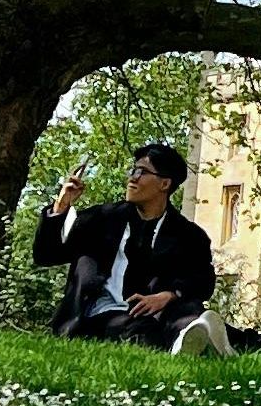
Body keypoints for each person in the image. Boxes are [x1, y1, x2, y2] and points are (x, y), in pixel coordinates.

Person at [33, 143, 222, 351]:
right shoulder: (99, 220)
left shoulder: (188, 235)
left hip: (160, 312)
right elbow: (46, 255)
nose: (132, 178)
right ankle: (196, 344)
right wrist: (61, 207)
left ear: (164, 184)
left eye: (142, 172)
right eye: (133, 170)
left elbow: (204, 281)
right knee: (140, 329)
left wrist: (168, 295)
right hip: (105, 314)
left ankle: (196, 337)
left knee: (188, 313)